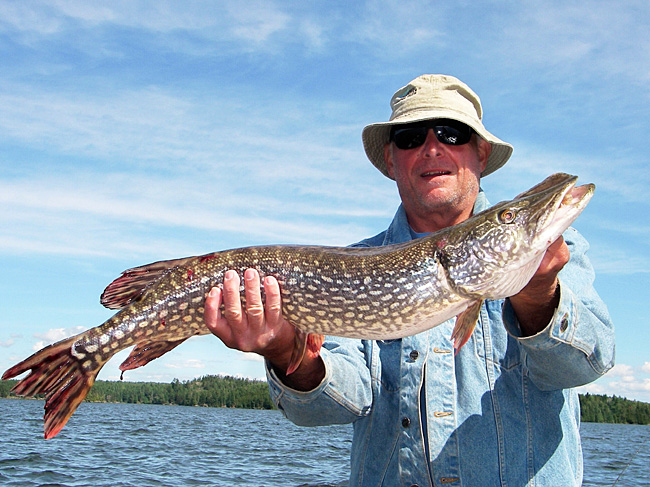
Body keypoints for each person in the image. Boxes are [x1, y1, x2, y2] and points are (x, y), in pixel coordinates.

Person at [203, 74, 616, 486]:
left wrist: (540, 297)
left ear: (481, 152)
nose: (432, 147)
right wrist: (283, 351)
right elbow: (333, 405)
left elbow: (585, 364)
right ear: (390, 159)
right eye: (410, 137)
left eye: (452, 133)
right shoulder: (350, 270)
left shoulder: (557, 252)